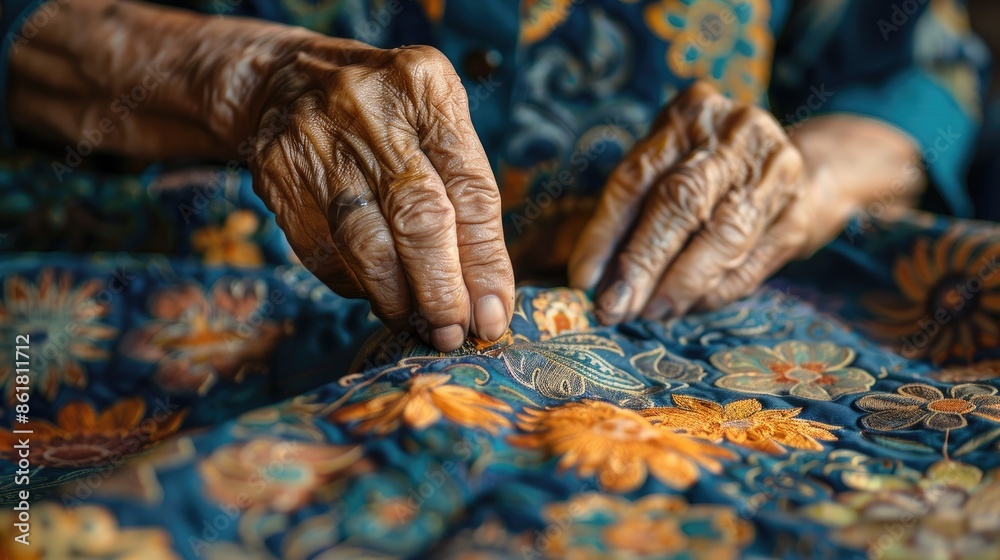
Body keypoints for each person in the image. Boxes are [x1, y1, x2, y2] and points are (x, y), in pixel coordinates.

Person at [0, 0, 985, 349]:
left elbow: (918, 74)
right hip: (134, 307)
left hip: (683, 324)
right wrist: (240, 76)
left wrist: (804, 176)